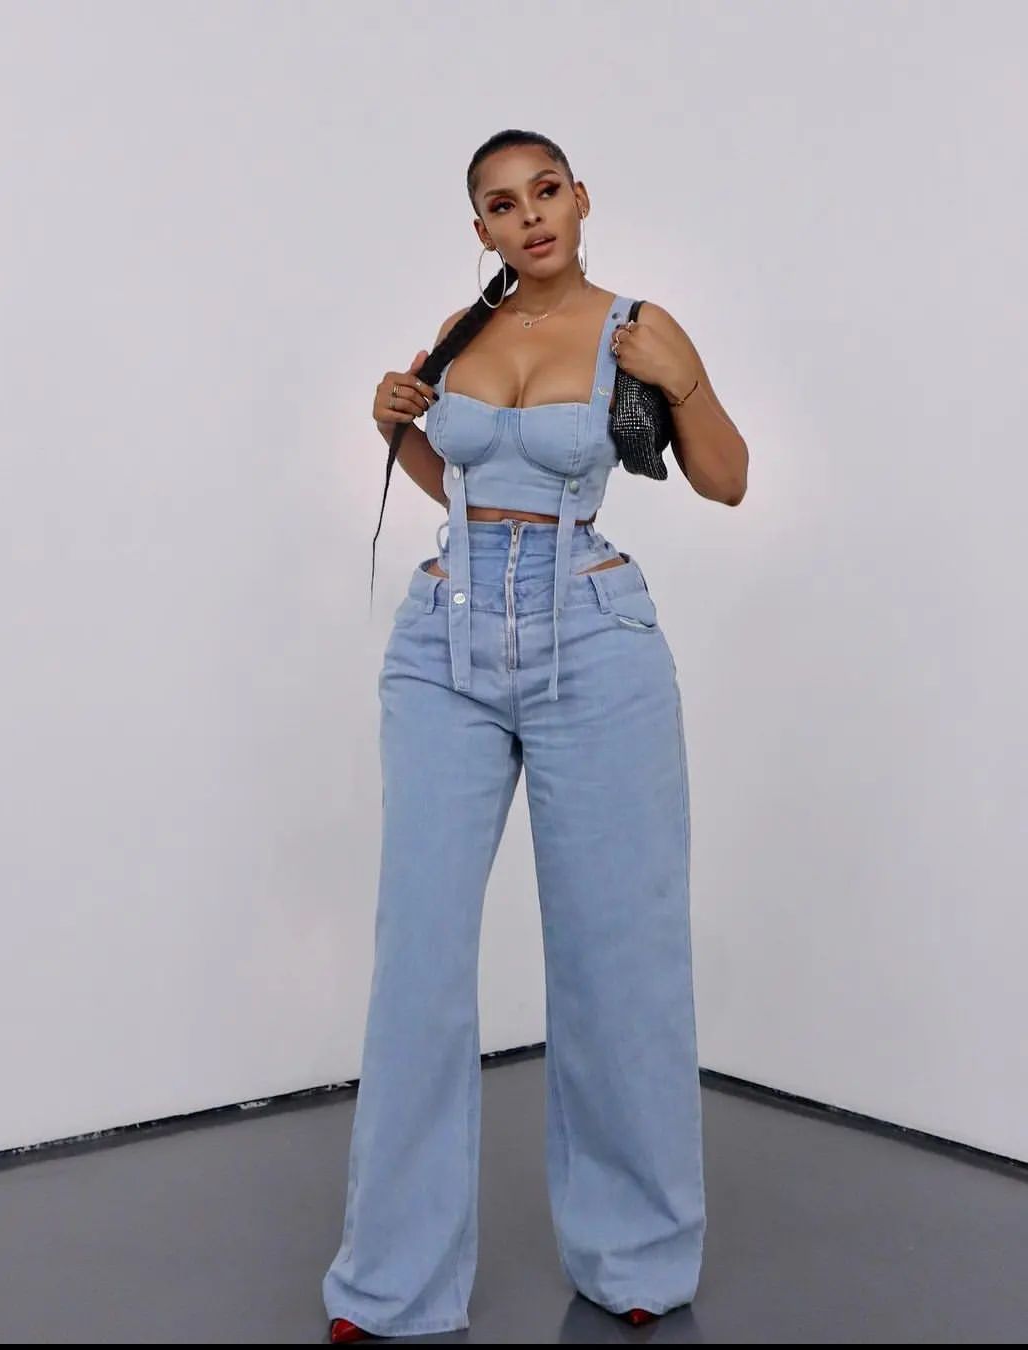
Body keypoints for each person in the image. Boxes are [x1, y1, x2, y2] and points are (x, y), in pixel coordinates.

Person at [323, 128, 748, 1343]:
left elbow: (727, 480)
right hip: (444, 639)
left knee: (620, 958)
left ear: (581, 197)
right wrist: (400, 426)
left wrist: (688, 382)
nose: (531, 217)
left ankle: (636, 1254)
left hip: (593, 636)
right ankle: (391, 1285)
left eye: (546, 191)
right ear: (483, 231)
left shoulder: (634, 329)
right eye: (504, 205)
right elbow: (461, 488)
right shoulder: (462, 335)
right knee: (417, 965)